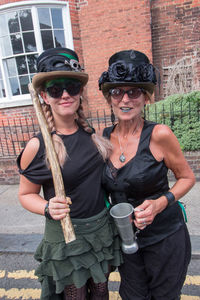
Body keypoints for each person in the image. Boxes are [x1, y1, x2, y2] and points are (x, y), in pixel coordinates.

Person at [17, 47, 122, 300]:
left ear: (80, 93)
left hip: (100, 231)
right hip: (66, 236)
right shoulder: (39, 145)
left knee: (100, 293)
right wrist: (46, 207)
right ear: (44, 95)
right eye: (55, 89)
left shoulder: (92, 135)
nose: (65, 94)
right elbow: (25, 194)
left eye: (72, 88)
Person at [98, 49, 196, 300]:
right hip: (128, 242)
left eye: (134, 91)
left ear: (146, 97)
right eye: (117, 91)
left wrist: (160, 203)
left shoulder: (159, 134)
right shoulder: (103, 138)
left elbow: (187, 178)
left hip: (166, 238)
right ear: (109, 97)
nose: (125, 99)